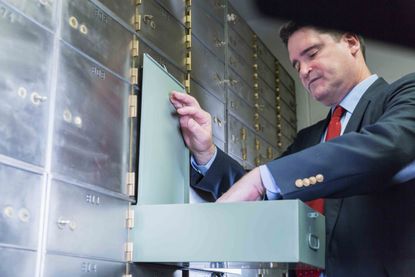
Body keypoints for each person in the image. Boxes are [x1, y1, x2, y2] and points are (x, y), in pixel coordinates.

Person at [170, 22, 415, 276]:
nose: (305, 71)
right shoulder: (308, 138)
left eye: (312, 53)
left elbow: (391, 146)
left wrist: (264, 178)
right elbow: (258, 194)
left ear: (351, 42)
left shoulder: (405, 93)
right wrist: (206, 153)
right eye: (296, 65)